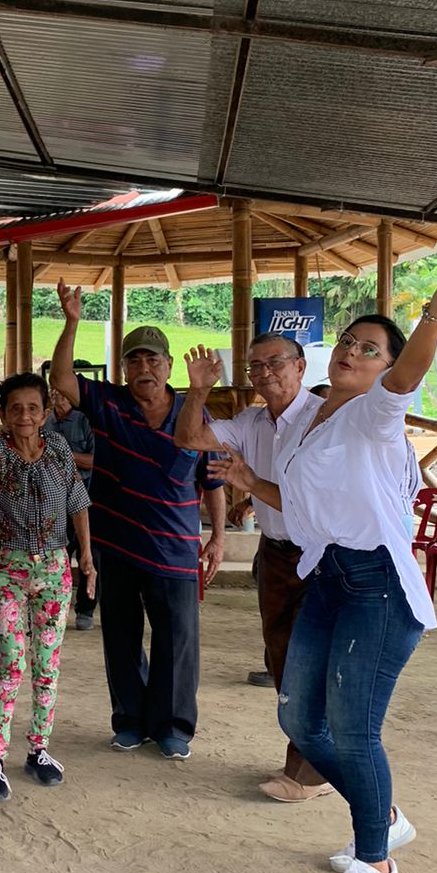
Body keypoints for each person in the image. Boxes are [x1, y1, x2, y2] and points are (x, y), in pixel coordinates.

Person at [218, 255, 437, 873]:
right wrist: (249, 482)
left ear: (385, 369)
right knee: (299, 717)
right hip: (328, 579)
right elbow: (302, 502)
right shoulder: (316, 418)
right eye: (349, 341)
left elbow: (408, 377)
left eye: (370, 348)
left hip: (377, 585)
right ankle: (385, 816)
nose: (353, 351)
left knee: (353, 731)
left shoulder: (375, 414)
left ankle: (376, 863)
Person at [50, 286, 225, 761]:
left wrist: (217, 536)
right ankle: (129, 720)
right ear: (124, 368)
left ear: (168, 366)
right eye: (135, 360)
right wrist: (71, 321)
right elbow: (62, 378)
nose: (144, 368)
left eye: (153, 359)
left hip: (175, 549)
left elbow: (212, 480)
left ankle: (173, 726)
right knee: (121, 637)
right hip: (119, 545)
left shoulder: (195, 412)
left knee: (178, 641)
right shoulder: (107, 403)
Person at [177, 336, 333, 803]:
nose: (265, 373)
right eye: (255, 366)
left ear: (300, 366)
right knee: (282, 657)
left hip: (323, 555)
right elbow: (189, 439)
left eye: (275, 362)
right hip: (276, 554)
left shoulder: (325, 417)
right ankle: (310, 762)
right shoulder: (251, 421)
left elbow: (314, 502)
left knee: (313, 660)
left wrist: (251, 483)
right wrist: (198, 391)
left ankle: (310, 772)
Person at [0, 369, 93, 803]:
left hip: (55, 567)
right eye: (15, 408)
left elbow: (77, 502)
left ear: (45, 412)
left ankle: (38, 748)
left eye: (33, 408)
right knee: (12, 662)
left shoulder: (58, 447)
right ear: (3, 414)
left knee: (47, 664)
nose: (24, 416)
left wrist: (86, 556)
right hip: (7, 567)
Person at [42, 380, 98, 629]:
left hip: (85, 494)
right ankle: (52, 609)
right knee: (55, 554)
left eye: (62, 391)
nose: (57, 395)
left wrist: (66, 455)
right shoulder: (45, 420)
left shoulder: (85, 421)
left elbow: (97, 460)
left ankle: (85, 609)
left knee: (89, 553)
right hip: (52, 500)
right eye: (53, 390)